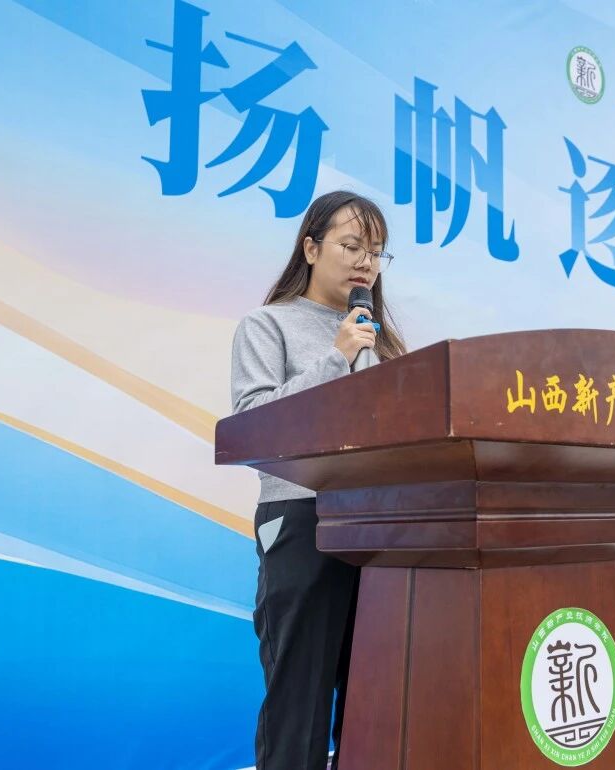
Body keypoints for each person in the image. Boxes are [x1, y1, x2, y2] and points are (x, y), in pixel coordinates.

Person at [230, 191, 406, 769]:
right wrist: (336, 358)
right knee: (299, 702)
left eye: (375, 252)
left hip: (381, 528)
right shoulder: (267, 325)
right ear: (310, 248)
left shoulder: (381, 342)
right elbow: (253, 425)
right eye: (352, 246)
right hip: (304, 520)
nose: (364, 262)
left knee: (373, 703)